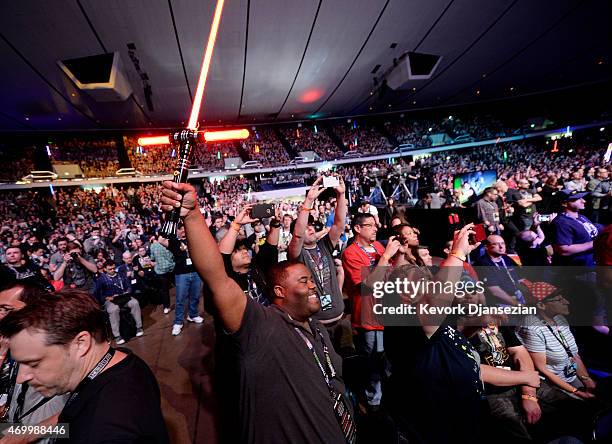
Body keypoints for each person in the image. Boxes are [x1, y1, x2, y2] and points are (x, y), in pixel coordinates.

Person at [160, 181, 355, 444]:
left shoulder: (315, 327)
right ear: (279, 291)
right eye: (303, 281)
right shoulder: (262, 324)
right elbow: (216, 275)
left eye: (311, 279)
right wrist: (193, 215)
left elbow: (271, 250)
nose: (312, 285)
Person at [0, 289, 169, 444]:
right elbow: (71, 417)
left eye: (33, 363)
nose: (21, 377)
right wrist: (27, 433)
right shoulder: (119, 361)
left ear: (81, 343)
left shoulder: (106, 431)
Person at [0, 282, 68, 444]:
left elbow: (76, 416)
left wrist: (24, 436)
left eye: (6, 309)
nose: (0, 315)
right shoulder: (13, 348)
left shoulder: (58, 348)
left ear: (34, 309)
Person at [289, 175, 348, 348]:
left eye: (312, 226)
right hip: (317, 324)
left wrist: (341, 195)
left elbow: (338, 224)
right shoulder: (297, 254)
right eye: (306, 226)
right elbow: (298, 234)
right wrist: (308, 201)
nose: (311, 228)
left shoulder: (324, 245)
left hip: (341, 319)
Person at [94, 260, 143, 345]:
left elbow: (129, 286)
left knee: (134, 303)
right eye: (110, 269)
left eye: (113, 268)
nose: (112, 270)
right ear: (105, 269)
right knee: (114, 309)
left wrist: (127, 292)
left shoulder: (121, 275)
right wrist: (106, 298)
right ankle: (117, 335)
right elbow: (98, 294)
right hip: (110, 300)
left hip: (123, 297)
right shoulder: (101, 280)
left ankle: (139, 327)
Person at [550, 190, 602, 266]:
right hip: (577, 271)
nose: (583, 201)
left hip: (591, 264)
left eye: (582, 198)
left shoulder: (581, 217)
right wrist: (595, 243)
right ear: (564, 203)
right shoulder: (561, 222)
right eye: (578, 199)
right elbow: (563, 250)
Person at [169, 226, 204, 336]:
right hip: (181, 274)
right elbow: (161, 240)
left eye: (184, 228)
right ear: (176, 231)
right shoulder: (174, 242)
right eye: (180, 229)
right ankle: (178, 322)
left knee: (195, 296)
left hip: (195, 272)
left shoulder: (192, 240)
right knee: (180, 299)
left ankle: (193, 315)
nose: (183, 231)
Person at [476, 235, 525, 306]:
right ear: (486, 247)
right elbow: (495, 291)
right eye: (495, 244)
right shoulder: (483, 263)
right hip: (500, 302)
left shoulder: (506, 258)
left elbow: (520, 278)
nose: (501, 247)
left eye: (502, 243)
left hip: (518, 295)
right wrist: (517, 304)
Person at [149, 235, 174, 313]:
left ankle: (166, 307)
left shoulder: (153, 246)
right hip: (171, 268)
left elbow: (152, 258)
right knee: (179, 286)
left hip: (160, 270)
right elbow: (171, 256)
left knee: (164, 290)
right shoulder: (167, 244)